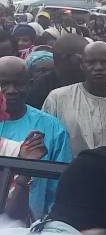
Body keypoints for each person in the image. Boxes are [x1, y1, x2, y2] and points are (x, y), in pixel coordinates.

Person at [0, 56, 73, 219]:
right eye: (3, 84)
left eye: (19, 84)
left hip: (31, 230)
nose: (11, 90)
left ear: (30, 84)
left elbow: (60, 188)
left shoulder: (52, 128)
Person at [42, 42, 106, 155]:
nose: (98, 67)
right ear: (82, 65)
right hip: (71, 170)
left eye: (105, 62)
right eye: (91, 62)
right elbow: (46, 142)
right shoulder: (58, 98)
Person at [26, 35, 88, 109]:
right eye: (83, 58)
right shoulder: (41, 88)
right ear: (64, 57)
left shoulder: (93, 80)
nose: (90, 62)